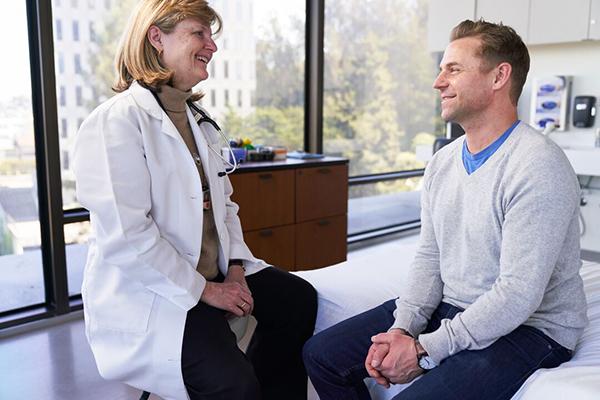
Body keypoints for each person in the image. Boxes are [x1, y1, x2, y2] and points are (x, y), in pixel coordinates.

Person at [303, 19, 588, 400]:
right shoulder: (444, 161)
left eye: (453, 69)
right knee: (322, 355)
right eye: (441, 70)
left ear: (499, 76)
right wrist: (403, 329)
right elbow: (430, 255)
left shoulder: (538, 164)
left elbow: (519, 294)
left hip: (532, 328)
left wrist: (424, 350)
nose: (438, 82)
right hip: (453, 306)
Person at [72, 1, 317, 399]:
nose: (212, 46)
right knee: (232, 383)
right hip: (157, 291)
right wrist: (207, 291)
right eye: (198, 33)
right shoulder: (114, 123)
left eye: (211, 34)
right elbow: (127, 236)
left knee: (298, 300)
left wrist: (236, 267)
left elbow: (225, 207)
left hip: (214, 273)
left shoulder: (195, 119)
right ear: (157, 37)